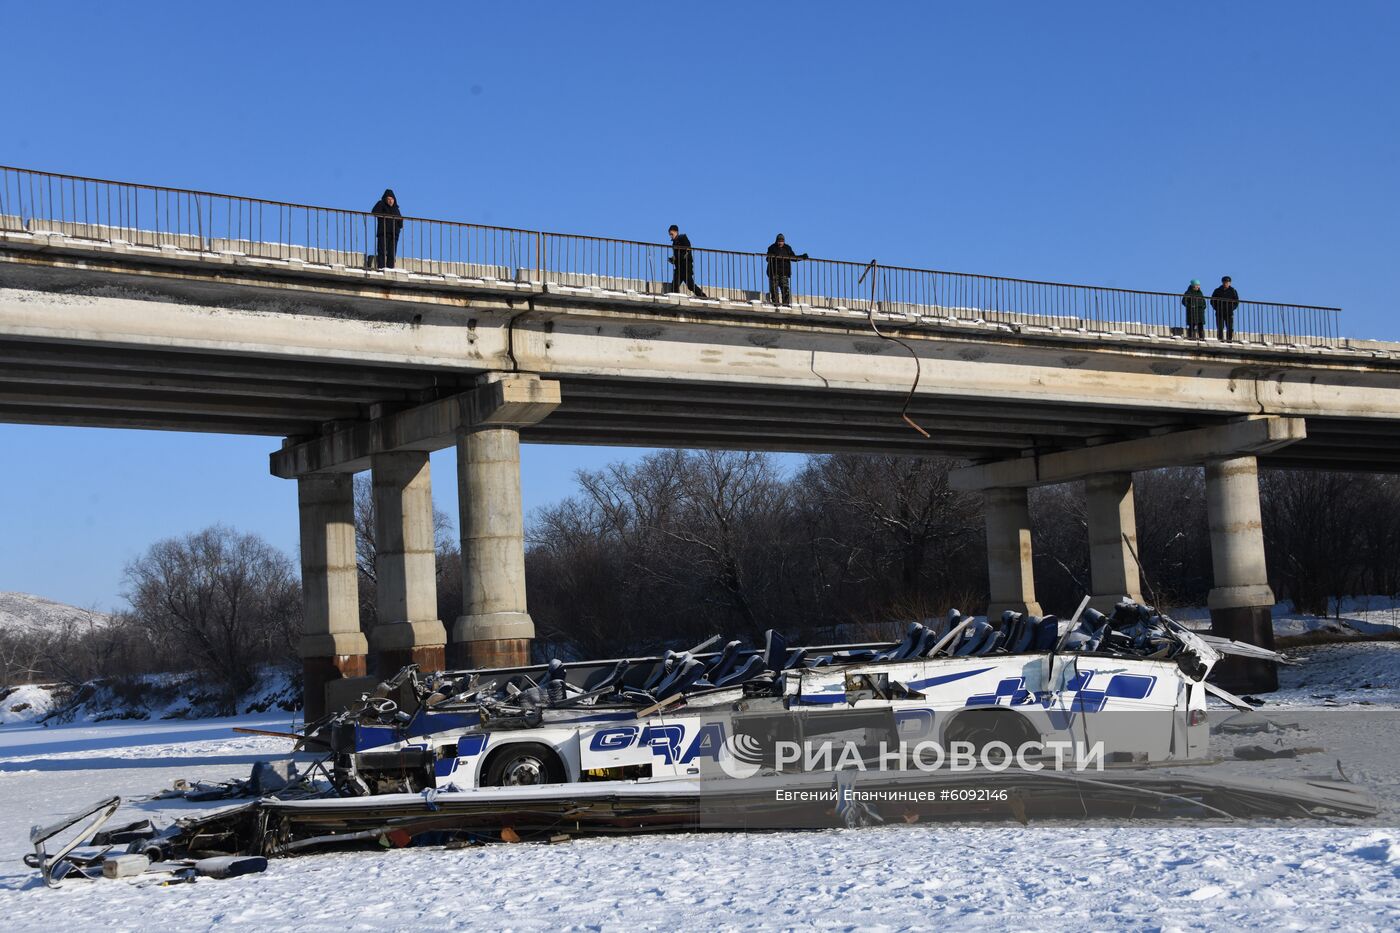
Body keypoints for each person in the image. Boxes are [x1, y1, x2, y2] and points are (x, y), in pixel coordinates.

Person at [765, 233, 809, 306]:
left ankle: (785, 304)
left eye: (782, 241)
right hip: (774, 272)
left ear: (784, 241)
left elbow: (793, 258)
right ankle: (776, 304)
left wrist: (802, 257)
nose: (780, 243)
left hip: (784, 273)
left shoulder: (787, 248)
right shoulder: (772, 248)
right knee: (774, 289)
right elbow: (767, 258)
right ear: (776, 241)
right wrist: (774, 256)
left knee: (785, 289)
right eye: (779, 241)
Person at [666, 225, 707, 298]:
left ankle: (703, 297)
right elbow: (678, 255)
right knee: (674, 285)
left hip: (685, 267)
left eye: (672, 234)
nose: (671, 236)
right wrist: (673, 259)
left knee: (690, 285)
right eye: (670, 234)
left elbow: (687, 250)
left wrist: (677, 258)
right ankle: (676, 298)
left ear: (676, 232)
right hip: (679, 268)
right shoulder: (674, 243)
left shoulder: (683, 238)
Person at [371, 189, 403, 270]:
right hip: (383, 232)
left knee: (392, 253)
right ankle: (381, 268)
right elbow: (374, 212)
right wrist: (382, 204)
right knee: (382, 251)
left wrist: (398, 228)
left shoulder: (396, 209)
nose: (390, 201)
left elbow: (401, 222)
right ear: (385, 199)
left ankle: (390, 268)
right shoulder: (381, 204)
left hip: (394, 234)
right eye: (388, 199)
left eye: (392, 199)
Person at [1211, 275, 1240, 342]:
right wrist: (1216, 308)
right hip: (1219, 312)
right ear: (1222, 282)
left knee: (1230, 327)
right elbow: (1212, 301)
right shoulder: (1217, 290)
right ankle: (1220, 339)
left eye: (1227, 282)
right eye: (1225, 282)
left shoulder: (1233, 291)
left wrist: (1232, 308)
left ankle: (1229, 340)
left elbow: (1236, 301)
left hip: (1229, 312)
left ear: (1230, 283)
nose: (1226, 283)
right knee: (1220, 327)